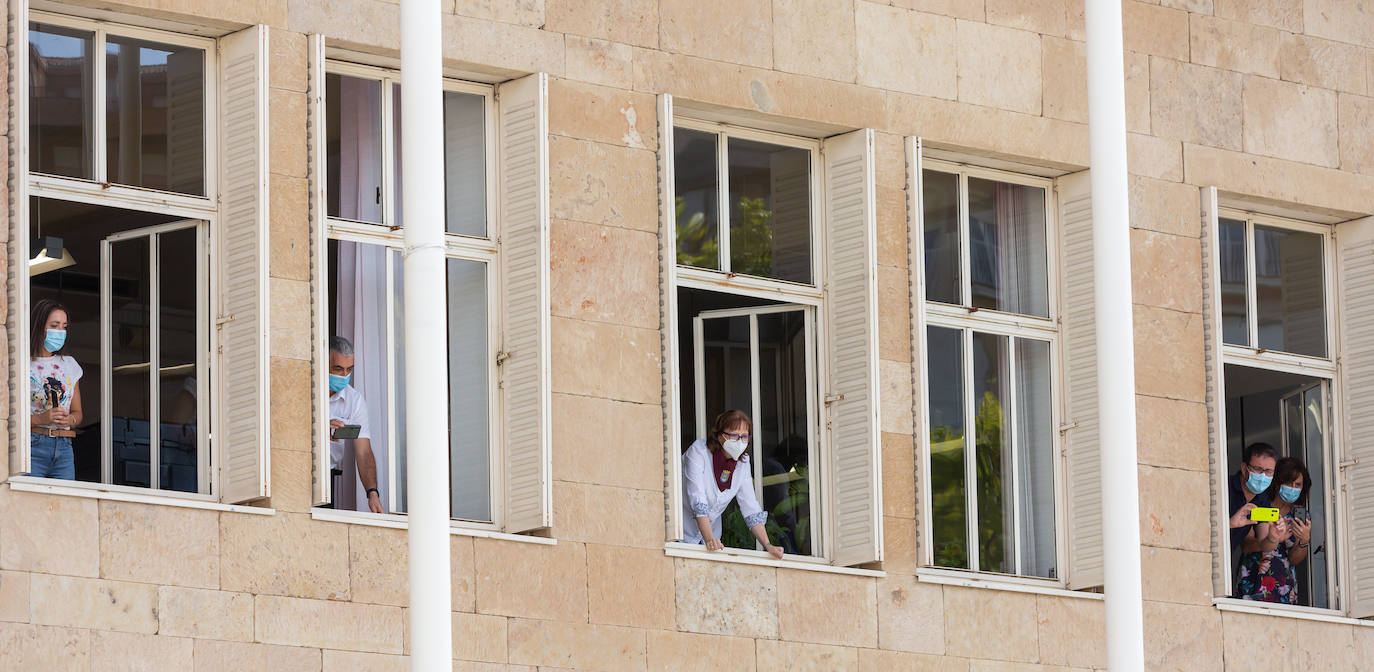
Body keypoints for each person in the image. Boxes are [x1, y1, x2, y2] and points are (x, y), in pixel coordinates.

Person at [681, 409, 784, 559]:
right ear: (720, 435)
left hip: (711, 543)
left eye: (744, 437)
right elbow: (698, 498)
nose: (740, 441)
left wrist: (768, 546)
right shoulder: (699, 452)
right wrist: (710, 539)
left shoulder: (742, 462)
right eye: (734, 435)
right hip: (682, 533)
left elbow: (750, 506)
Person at [1236, 457, 1313, 603]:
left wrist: (1304, 540)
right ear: (1278, 483)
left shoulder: (1300, 515)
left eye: (1298, 485)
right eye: (1289, 483)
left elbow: (1294, 559)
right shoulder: (1260, 506)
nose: (1293, 488)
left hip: (1283, 586)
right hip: (1253, 582)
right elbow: (1246, 545)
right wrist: (1273, 538)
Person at [328, 336, 384, 514]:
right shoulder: (303, 388)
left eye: (349, 369)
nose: (344, 376)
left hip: (326, 480)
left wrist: (372, 493)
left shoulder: (355, 400)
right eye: (338, 369)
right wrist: (320, 427)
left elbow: (364, 452)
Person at [29, 299, 83, 480]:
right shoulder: (22, 363)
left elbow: (78, 412)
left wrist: (70, 419)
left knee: (65, 506)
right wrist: (40, 418)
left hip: (65, 447)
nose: (60, 332)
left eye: (64, 327)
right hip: (32, 445)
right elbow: (8, 418)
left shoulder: (70, 365)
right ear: (39, 326)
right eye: (54, 325)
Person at [1228, 442, 1277, 562]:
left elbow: (1265, 545)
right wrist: (1229, 523)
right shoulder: (1225, 487)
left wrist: (1273, 537)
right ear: (1244, 468)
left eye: (1269, 471)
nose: (1263, 476)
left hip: (1224, 562)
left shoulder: (1263, 499)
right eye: (1258, 469)